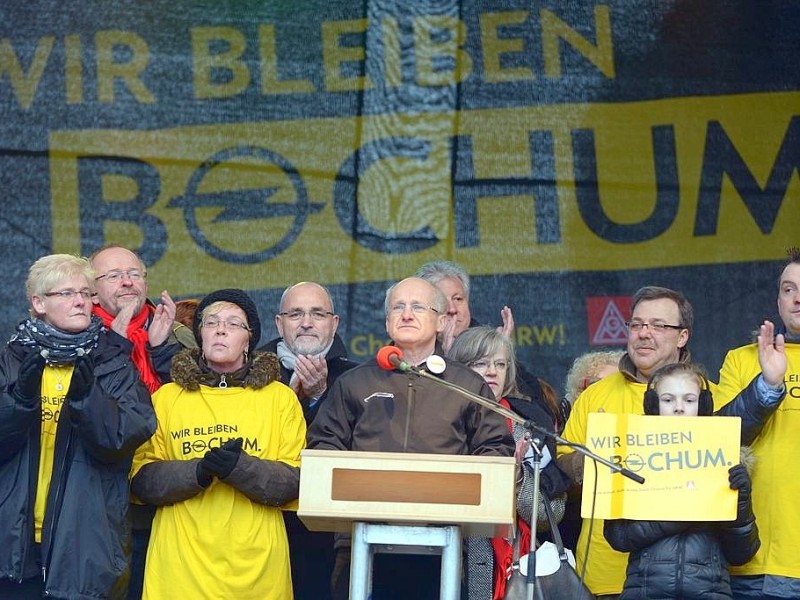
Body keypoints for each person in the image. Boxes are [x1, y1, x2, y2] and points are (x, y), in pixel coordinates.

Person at [557, 285, 786, 598]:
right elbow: (563, 462)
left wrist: (769, 384)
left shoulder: (711, 400)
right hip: (605, 576)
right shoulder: (595, 394)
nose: (643, 333)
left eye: (658, 325)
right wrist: (596, 463)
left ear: (682, 336)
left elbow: (744, 418)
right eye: (636, 324)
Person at [307, 277, 514, 600]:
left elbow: (496, 449)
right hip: (361, 545)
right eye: (398, 307)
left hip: (444, 543)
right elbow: (322, 446)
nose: (406, 314)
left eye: (418, 306)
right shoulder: (354, 383)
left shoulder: (465, 384)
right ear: (388, 320)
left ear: (441, 320)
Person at [131, 289, 305, 599]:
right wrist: (197, 471)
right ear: (199, 334)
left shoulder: (280, 399)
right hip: (179, 575)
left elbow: (295, 481)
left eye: (234, 323)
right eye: (211, 322)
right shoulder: (166, 399)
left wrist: (239, 467)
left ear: (249, 339)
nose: (221, 329)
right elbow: (141, 480)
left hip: (257, 575)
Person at [0, 254, 155, 599]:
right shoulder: (9, 360)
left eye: (86, 293)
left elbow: (124, 437)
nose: (81, 301)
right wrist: (19, 402)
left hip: (85, 549)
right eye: (67, 293)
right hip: (12, 547)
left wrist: (89, 402)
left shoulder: (113, 361)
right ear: (38, 303)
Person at [89, 244, 197, 600]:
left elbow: (196, 402)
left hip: (164, 492)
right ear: (91, 290)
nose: (127, 282)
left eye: (134, 274)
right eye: (114, 275)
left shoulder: (178, 333)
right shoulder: (76, 334)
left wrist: (161, 349)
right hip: (99, 496)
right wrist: (116, 344)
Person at [604, 362, 760, 600]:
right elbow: (619, 537)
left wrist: (741, 505)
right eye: (668, 400)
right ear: (653, 405)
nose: (678, 408)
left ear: (704, 405)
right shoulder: (630, 455)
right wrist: (679, 515)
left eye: (689, 400)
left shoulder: (724, 458)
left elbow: (742, 553)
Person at [447, 326, 571, 600]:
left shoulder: (525, 426)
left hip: (512, 572)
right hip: (443, 562)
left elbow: (550, 515)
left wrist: (517, 478)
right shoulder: (438, 421)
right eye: (481, 363)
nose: (492, 371)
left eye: (500, 364)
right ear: (458, 369)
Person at [259, 281, 358, 600]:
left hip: (325, 529)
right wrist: (287, 398)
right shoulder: (250, 373)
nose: (306, 322)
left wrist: (319, 398)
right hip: (259, 517)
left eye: (317, 314)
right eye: (295, 314)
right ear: (279, 323)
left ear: (334, 323)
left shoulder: (356, 378)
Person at [715, 248, 800, 600]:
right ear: (778, 300)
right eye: (788, 289)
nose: (797, 298)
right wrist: (767, 386)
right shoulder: (742, 359)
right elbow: (719, 439)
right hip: (758, 564)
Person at [415, 260, 561, 424]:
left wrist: (503, 354)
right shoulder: (408, 350)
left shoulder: (491, 343)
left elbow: (534, 403)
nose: (452, 309)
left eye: (458, 299)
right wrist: (447, 361)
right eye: (442, 300)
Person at [558, 349, 623, 550]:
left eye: (617, 387)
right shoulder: (567, 428)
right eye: (600, 385)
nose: (608, 393)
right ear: (580, 391)